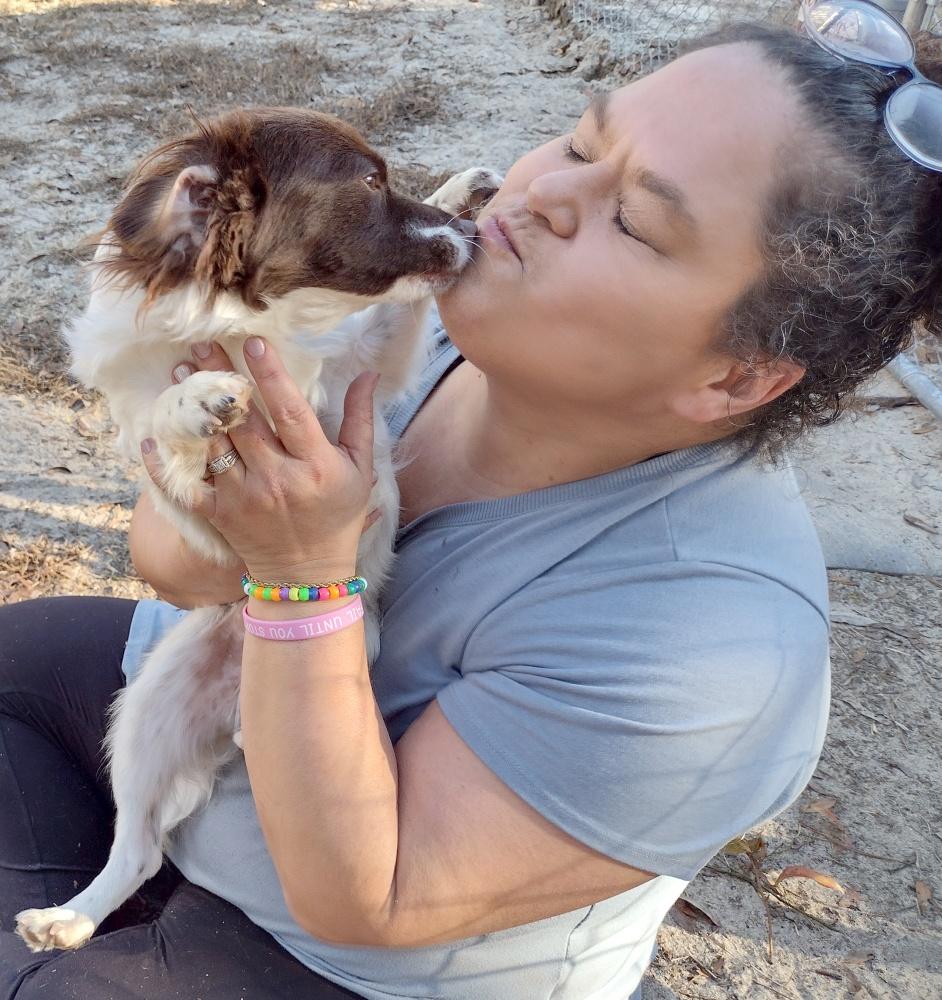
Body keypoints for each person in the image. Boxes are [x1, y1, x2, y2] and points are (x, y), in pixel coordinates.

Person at [2, 18, 939, 999]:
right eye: (582, 140)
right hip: (203, 768)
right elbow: (168, 560)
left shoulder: (713, 645)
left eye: (633, 220)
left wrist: (300, 577)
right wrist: (228, 505)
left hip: (328, 956)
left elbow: (366, 899)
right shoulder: (457, 333)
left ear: (736, 376)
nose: (544, 193)